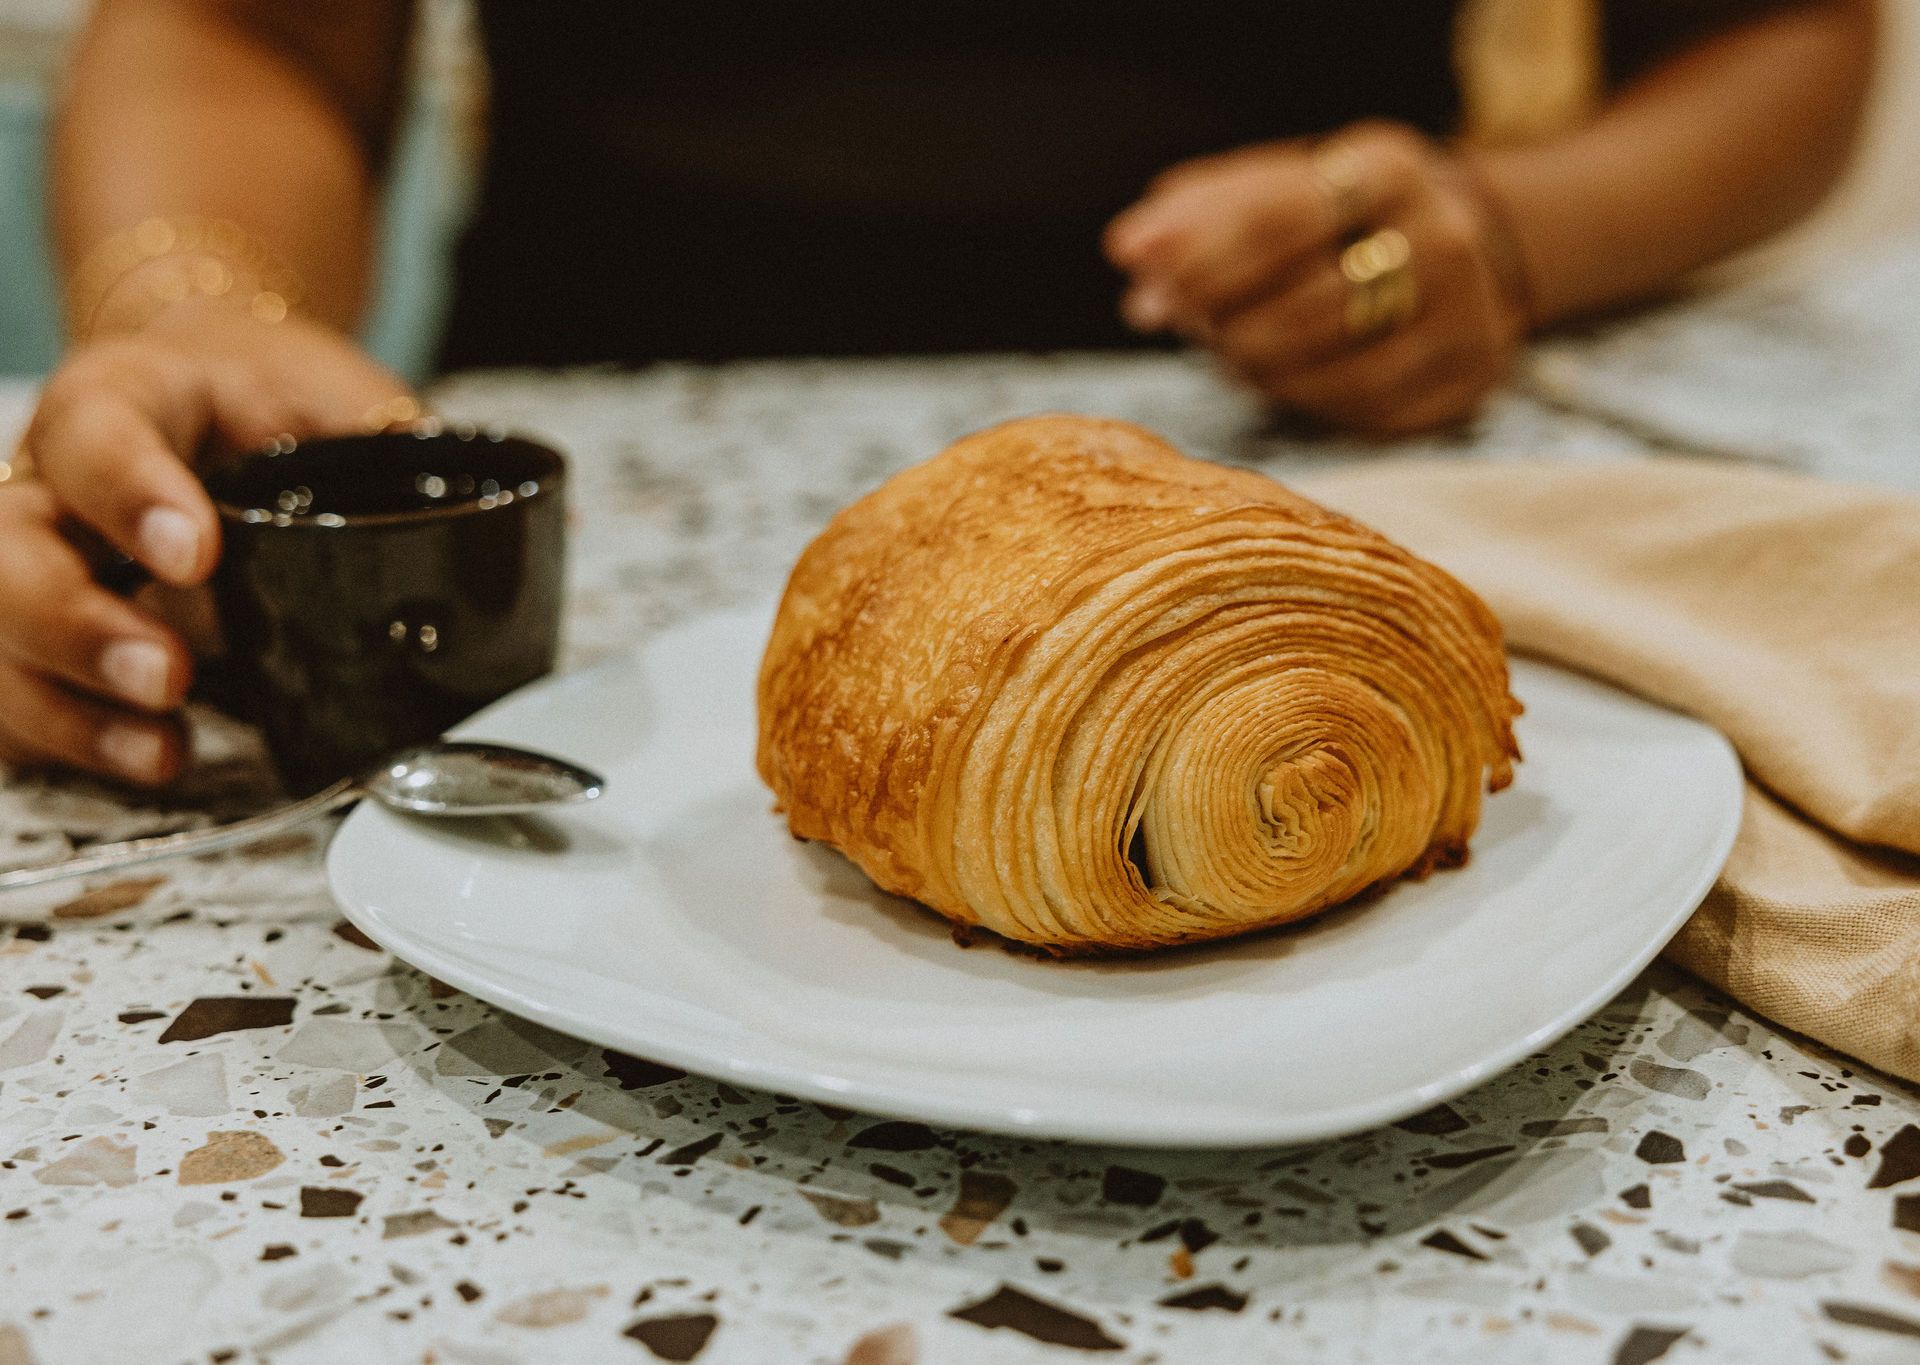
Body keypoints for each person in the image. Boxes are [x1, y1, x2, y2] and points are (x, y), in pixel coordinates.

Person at [0, 0, 1876, 786]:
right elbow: (242, 27)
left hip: (1323, 451)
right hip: (598, 498)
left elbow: (1785, 34)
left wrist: (1504, 229)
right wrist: (192, 309)